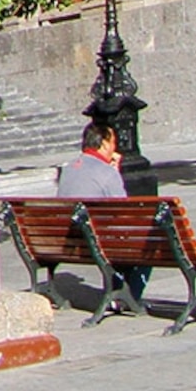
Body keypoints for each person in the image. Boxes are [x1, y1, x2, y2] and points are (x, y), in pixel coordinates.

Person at [57, 120, 150, 306]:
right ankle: (128, 298)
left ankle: (118, 293)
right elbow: (123, 212)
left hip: (70, 242)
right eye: (113, 142)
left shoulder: (67, 170)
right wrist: (114, 172)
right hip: (101, 244)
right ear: (105, 143)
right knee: (147, 246)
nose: (115, 147)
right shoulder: (106, 172)